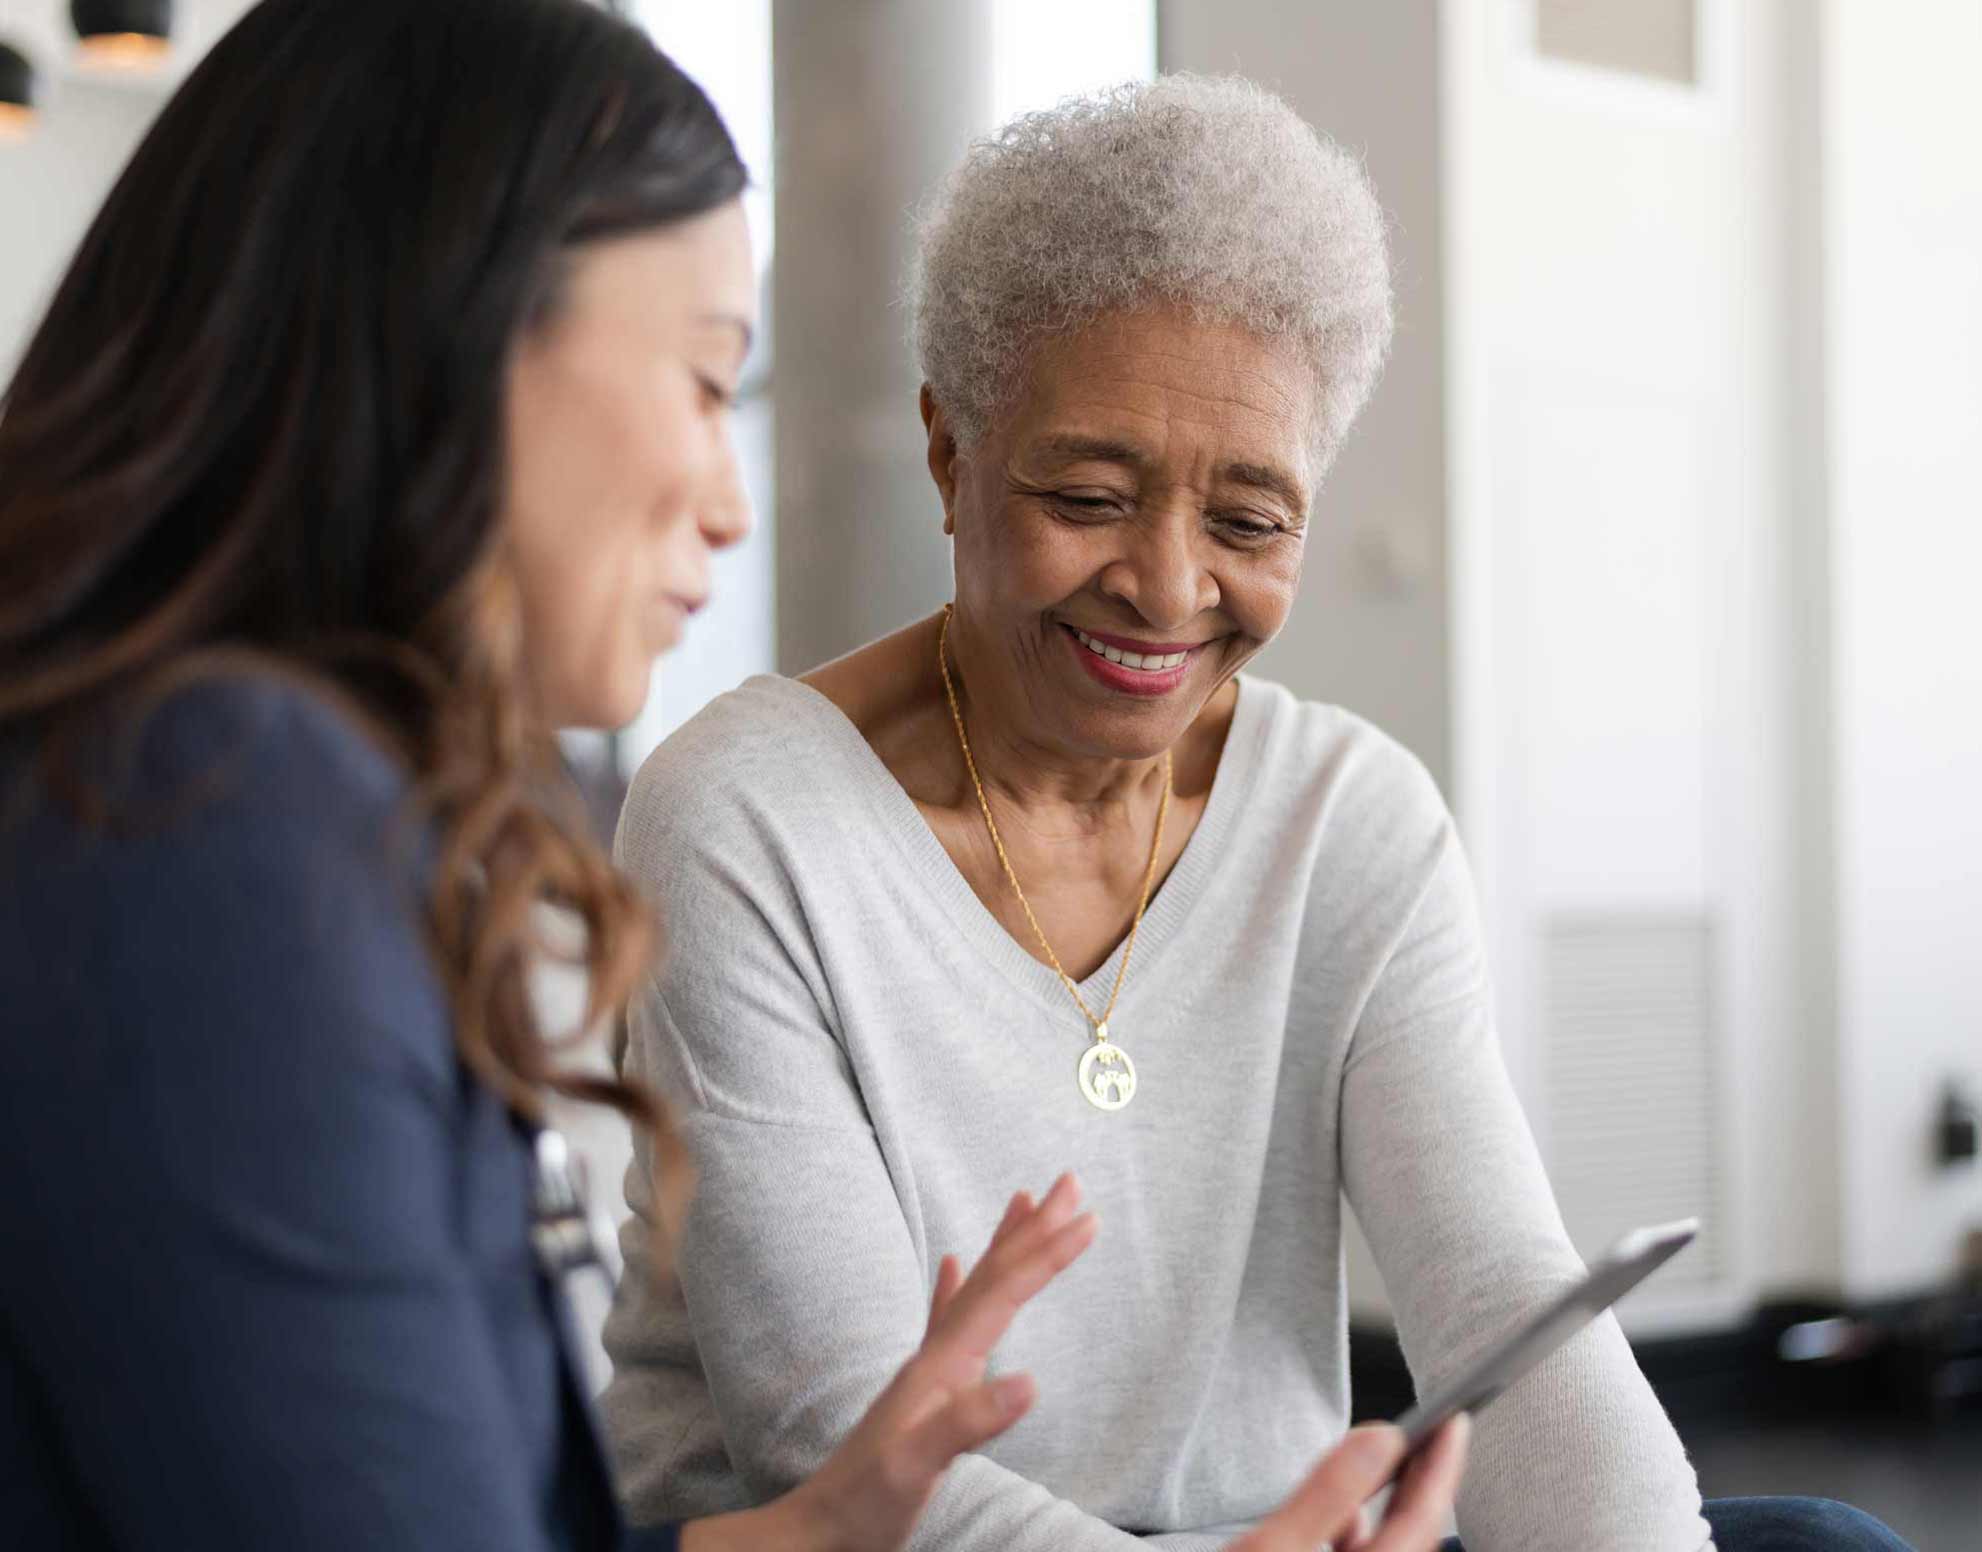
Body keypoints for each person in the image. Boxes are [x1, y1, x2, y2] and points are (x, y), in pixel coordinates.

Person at [0, 4, 1470, 1549]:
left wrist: (819, 1532)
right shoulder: (216, 818)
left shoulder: (241, 794)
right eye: (706, 384)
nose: (726, 502)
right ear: (449, 345)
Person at [601, 75, 1915, 1552]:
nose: (1168, 590)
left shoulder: (1349, 820)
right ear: (949, 449)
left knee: (1817, 1545)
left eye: (1246, 522)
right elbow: (837, 1444)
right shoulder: (745, 818)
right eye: (1088, 495)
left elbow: (1506, 1308)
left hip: (1266, 1536)